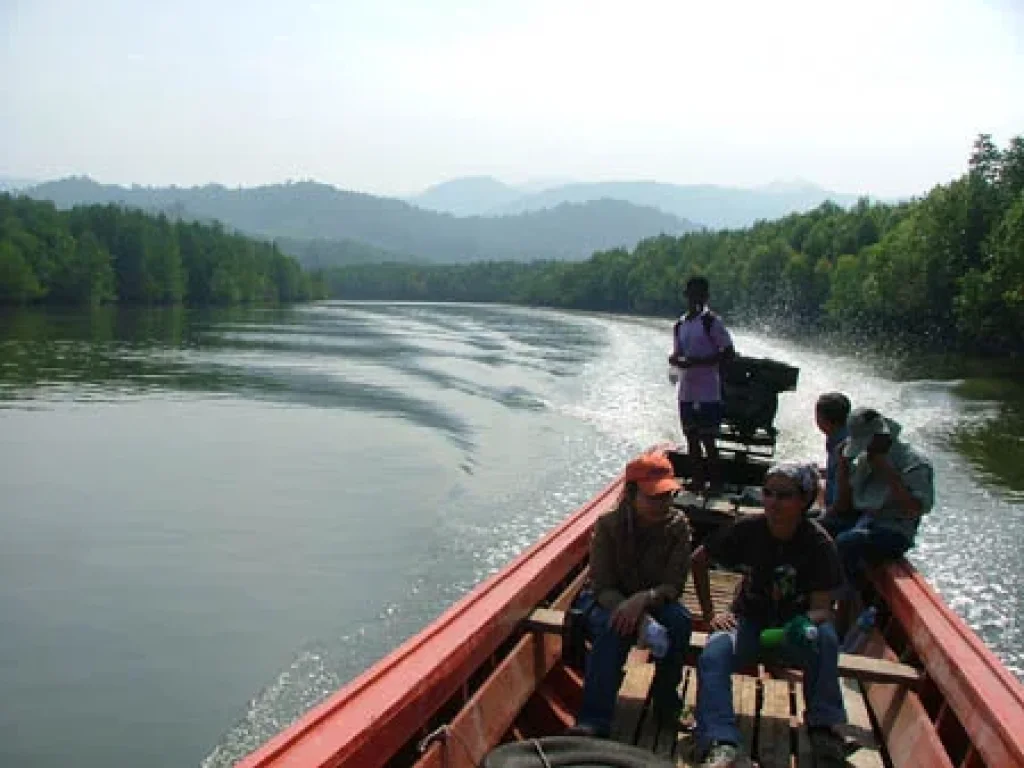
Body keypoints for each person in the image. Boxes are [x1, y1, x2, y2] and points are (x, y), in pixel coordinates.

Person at [691, 463, 847, 767]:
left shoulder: (819, 544)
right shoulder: (747, 529)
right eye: (768, 493)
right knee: (714, 653)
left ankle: (823, 727)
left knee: (825, 639)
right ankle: (720, 740)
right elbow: (699, 559)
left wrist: (804, 622)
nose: (773, 502)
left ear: (804, 500)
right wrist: (711, 612)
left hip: (793, 631)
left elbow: (822, 608)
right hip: (749, 622)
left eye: (784, 495)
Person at [568, 451, 693, 738]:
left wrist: (644, 601)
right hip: (610, 599)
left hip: (654, 599)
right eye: (653, 496)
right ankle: (595, 718)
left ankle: (666, 703)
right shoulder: (608, 525)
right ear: (631, 493)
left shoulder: (679, 526)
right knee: (612, 626)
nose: (662, 503)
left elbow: (673, 585)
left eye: (666, 495)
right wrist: (631, 612)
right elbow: (601, 585)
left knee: (680, 621)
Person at [832, 407, 935, 592]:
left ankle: (848, 603)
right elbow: (843, 505)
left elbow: (915, 508)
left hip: (894, 529)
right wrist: (843, 466)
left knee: (848, 543)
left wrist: (887, 471)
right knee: (820, 527)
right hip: (865, 520)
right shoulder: (864, 457)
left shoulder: (914, 462)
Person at [668, 276, 735, 493]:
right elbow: (678, 353)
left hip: (708, 392)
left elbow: (728, 353)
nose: (694, 299)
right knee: (692, 439)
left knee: (708, 440)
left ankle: (715, 483)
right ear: (685, 296)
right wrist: (675, 360)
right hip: (687, 391)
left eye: (699, 295)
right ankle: (697, 481)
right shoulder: (680, 325)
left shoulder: (711, 322)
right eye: (690, 294)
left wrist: (699, 363)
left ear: (706, 297)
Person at [814, 392, 852, 530]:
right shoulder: (836, 437)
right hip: (836, 510)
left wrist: (821, 518)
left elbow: (843, 503)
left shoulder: (844, 447)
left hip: (843, 519)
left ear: (821, 419)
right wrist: (818, 471)